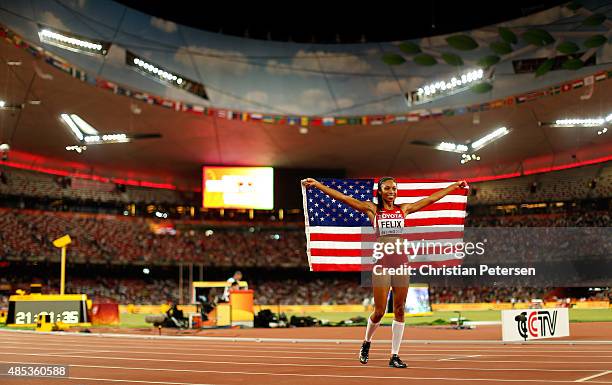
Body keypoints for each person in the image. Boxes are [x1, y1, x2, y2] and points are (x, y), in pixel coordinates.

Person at [302, 177, 467, 368]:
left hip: (401, 262)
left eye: (394, 189)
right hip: (382, 262)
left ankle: (394, 355)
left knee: (399, 309)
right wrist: (319, 186)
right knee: (379, 311)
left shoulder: (403, 209)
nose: (392, 191)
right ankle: (366, 342)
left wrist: (454, 186)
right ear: (380, 191)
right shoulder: (373, 209)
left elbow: (430, 199)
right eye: (387, 188)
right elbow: (344, 198)